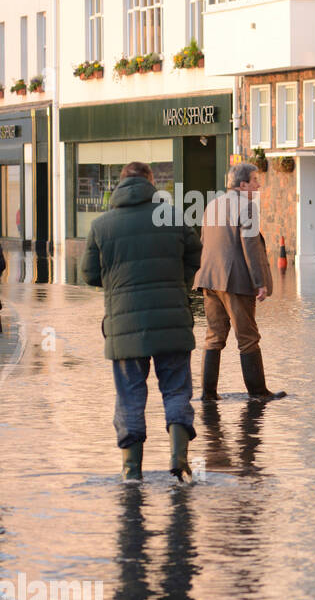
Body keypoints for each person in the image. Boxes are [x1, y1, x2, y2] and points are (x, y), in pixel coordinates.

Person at [80, 161, 203, 481]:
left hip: (124, 328)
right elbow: (196, 257)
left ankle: (131, 471)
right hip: (172, 324)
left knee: (130, 396)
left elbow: (90, 274)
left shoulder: (101, 225)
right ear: (150, 183)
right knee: (176, 391)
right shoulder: (174, 218)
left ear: (120, 184)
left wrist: (119, 286)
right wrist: (179, 280)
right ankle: (179, 458)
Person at [194, 162, 285, 402]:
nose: (258, 184)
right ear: (243, 185)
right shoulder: (247, 207)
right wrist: (260, 282)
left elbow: (204, 241)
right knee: (248, 338)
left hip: (209, 279)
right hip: (235, 281)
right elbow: (250, 246)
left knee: (214, 336)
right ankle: (258, 392)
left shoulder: (212, 205)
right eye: (255, 180)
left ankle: (208, 393)